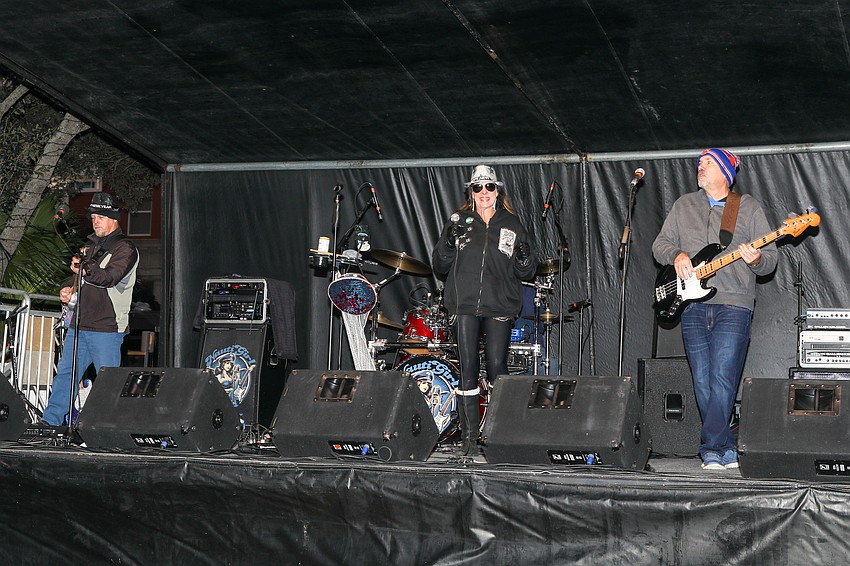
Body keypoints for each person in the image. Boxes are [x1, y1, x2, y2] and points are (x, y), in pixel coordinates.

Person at [652, 148, 777, 470]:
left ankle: (710, 447)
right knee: (703, 380)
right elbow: (659, 245)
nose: (700, 167)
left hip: (734, 303)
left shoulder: (747, 207)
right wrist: (678, 255)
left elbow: (770, 262)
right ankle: (726, 446)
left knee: (722, 377)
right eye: (699, 163)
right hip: (691, 304)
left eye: (707, 163)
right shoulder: (683, 205)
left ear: (725, 171)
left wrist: (757, 259)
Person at [432, 165, 536, 460]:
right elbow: (439, 265)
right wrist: (450, 242)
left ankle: (502, 436)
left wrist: (527, 258)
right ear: (471, 192)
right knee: (467, 370)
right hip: (464, 305)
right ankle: (468, 439)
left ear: (497, 191)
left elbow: (525, 270)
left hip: (499, 305)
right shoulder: (459, 222)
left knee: (496, 368)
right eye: (478, 188)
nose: (484, 193)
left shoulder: (512, 224)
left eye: (489, 187)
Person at [42, 192, 139, 426]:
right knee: (66, 375)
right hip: (80, 324)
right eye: (93, 217)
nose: (95, 221)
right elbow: (76, 279)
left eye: (101, 217)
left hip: (107, 327)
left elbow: (109, 277)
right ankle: (50, 423)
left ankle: (106, 428)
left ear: (114, 219)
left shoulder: (125, 249)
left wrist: (84, 270)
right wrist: (67, 289)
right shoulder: (89, 246)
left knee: (108, 382)